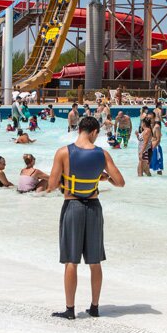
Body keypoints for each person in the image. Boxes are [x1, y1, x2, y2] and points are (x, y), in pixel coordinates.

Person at [47, 115, 125, 320]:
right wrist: (104, 177)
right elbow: (120, 182)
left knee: (71, 261)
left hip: (72, 206)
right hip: (94, 208)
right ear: (94, 132)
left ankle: (70, 310)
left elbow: (52, 185)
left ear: (79, 129)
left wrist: (66, 177)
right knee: (95, 261)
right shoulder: (102, 154)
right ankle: (95, 307)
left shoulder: (63, 152)